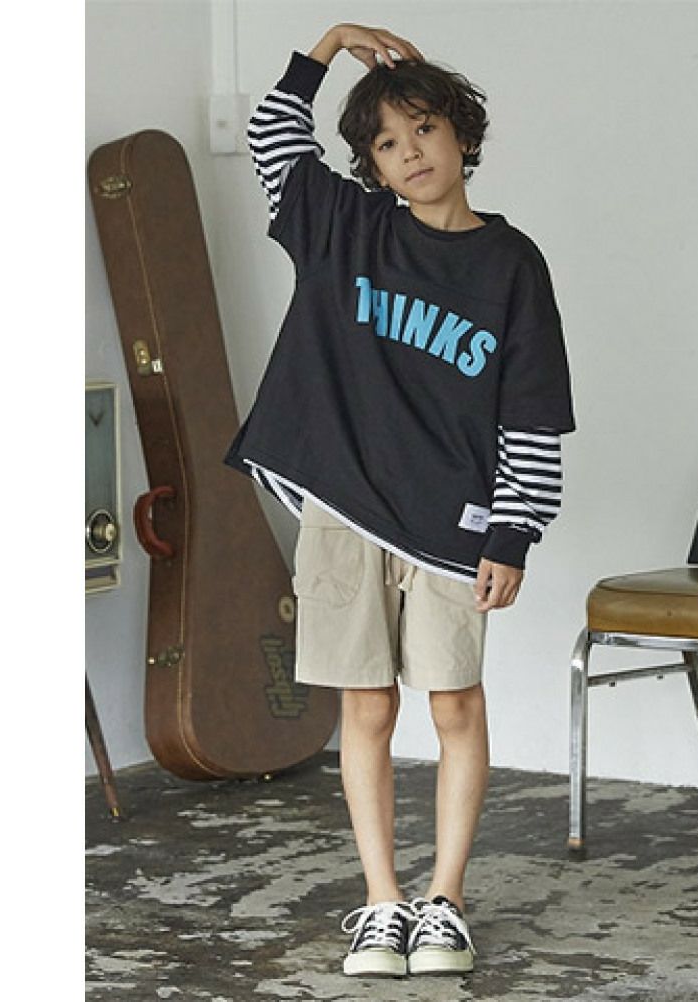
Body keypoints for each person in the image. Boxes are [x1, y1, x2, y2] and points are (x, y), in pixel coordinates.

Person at [224, 23, 576, 978]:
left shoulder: (512, 265)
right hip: (343, 511)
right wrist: (328, 44)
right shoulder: (345, 226)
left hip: (452, 525)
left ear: (462, 135)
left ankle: (444, 902)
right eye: (386, 142)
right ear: (371, 166)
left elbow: (530, 411)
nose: (410, 151)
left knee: (455, 702)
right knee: (367, 707)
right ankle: (382, 903)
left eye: (424, 128)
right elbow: (271, 135)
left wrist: (514, 530)